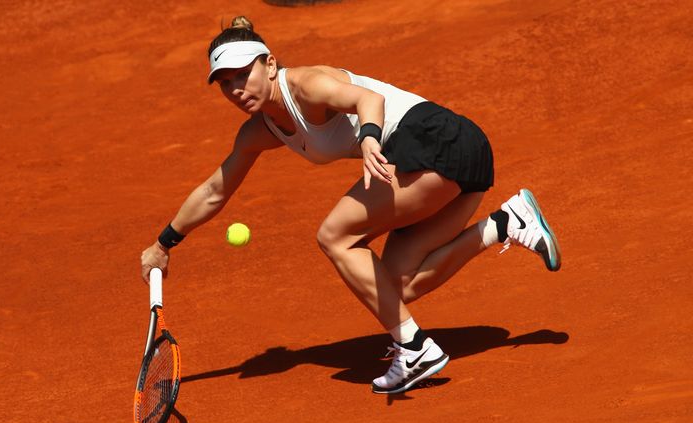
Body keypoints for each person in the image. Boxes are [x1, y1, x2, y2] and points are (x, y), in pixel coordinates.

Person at [140, 16, 561, 394]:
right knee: (394, 288)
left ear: (269, 64)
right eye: (225, 82)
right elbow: (215, 189)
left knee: (333, 235)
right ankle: (506, 223)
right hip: (454, 159)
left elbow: (367, 101)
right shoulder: (259, 131)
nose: (235, 88)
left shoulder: (306, 84)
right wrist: (164, 243)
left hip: (435, 141)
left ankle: (414, 349)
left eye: (242, 74)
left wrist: (369, 138)